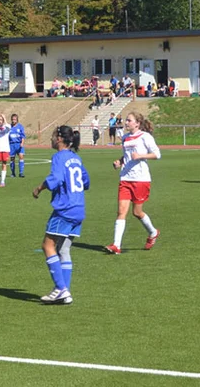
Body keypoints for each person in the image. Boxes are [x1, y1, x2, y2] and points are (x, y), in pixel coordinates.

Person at [33, 125, 90, 305]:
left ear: (59, 138)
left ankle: (60, 288)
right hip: (79, 208)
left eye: (52, 136)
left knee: (47, 246)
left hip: (65, 209)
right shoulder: (76, 158)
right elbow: (86, 181)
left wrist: (39, 188)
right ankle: (65, 291)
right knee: (64, 250)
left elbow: (55, 179)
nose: (50, 139)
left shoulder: (59, 157)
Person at [104, 112, 161, 254]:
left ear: (137, 123)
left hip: (141, 179)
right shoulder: (125, 138)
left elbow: (157, 154)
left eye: (129, 120)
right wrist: (120, 161)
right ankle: (116, 245)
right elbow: (127, 156)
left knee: (137, 212)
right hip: (125, 178)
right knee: (121, 211)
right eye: (126, 120)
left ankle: (153, 232)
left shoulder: (145, 137)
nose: (126, 122)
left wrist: (141, 156)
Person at [8, 114, 26, 178]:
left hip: (19, 144)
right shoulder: (9, 127)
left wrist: (22, 143)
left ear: (17, 120)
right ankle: (13, 173)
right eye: (12, 119)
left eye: (15, 119)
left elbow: (23, 136)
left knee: (21, 156)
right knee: (12, 159)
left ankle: (21, 173)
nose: (13, 120)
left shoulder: (20, 127)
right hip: (11, 145)